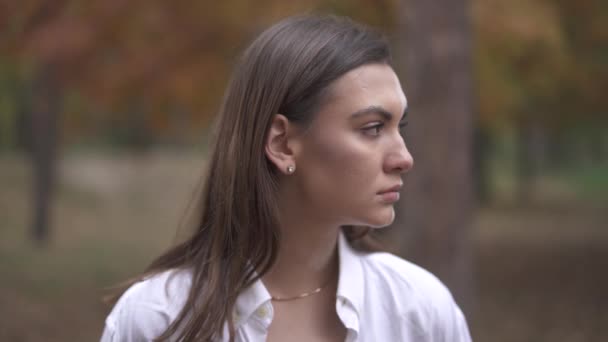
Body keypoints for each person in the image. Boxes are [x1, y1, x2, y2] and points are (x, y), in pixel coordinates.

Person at [100, 14, 472, 342]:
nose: (404, 158)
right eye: (373, 128)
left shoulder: (418, 312)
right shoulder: (158, 321)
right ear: (282, 143)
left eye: (399, 127)